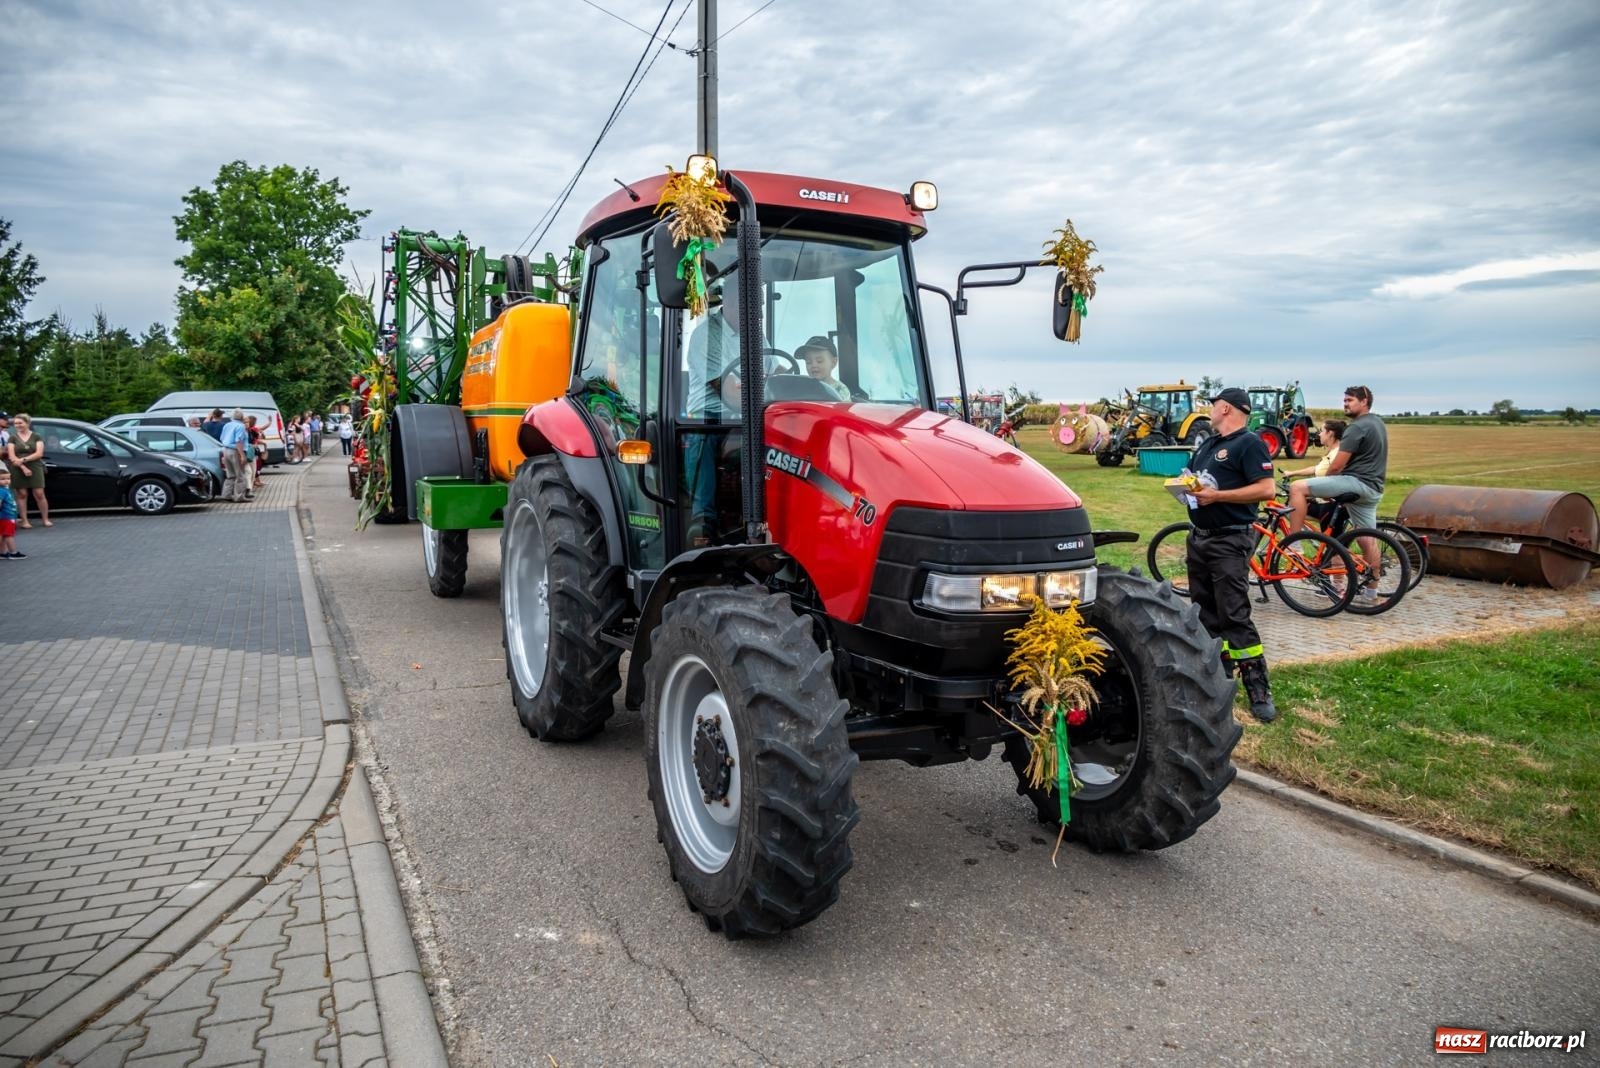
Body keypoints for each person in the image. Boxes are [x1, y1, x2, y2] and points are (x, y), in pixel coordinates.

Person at [1182, 388, 1279, 722]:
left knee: (1233, 615)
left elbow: (1266, 489)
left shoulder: (1249, 443)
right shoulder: (1208, 444)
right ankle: (1217, 681)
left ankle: (1258, 689)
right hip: (1199, 539)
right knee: (1204, 614)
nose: (1209, 410)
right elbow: (1192, 477)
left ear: (1225, 408)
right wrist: (1184, 486)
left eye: (1213, 405)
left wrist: (1218, 496)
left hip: (1229, 540)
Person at [1285, 386, 1388, 603]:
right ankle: (1371, 592)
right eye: (1345, 400)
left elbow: (1336, 467)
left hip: (1356, 483)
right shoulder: (1378, 423)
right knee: (1367, 540)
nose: (1345, 404)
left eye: (1350, 400)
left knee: (1297, 488)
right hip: (1374, 488)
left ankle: (1293, 544)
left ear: (1364, 401)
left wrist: (1327, 487)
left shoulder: (1357, 427)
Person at [1282, 419, 1347, 534]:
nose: (1319, 434)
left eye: (1321, 431)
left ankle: (1296, 540)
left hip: (1329, 504)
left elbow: (1337, 473)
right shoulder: (1332, 452)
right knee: (1293, 507)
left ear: (1330, 433)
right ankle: (1303, 537)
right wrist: (1292, 473)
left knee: (1332, 544)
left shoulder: (1337, 453)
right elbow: (1316, 469)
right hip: (1323, 501)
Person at [4, 414, 50, 528]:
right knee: (22, 494)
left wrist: (24, 459)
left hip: (35, 466)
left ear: (27, 423)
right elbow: (11, 456)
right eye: (15, 423)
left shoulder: (37, 436)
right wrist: (23, 467)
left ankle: (45, 519)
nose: (17, 425)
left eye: (20, 423)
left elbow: (39, 453)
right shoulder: (12, 438)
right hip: (17, 468)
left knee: (39, 493)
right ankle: (25, 521)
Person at [797, 335, 851, 400]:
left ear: (833, 362)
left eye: (819, 361)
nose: (814, 365)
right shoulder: (803, 389)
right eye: (808, 362)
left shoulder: (841, 390)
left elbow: (844, 406)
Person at [219, 408, 253, 502]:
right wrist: (242, 455)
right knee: (240, 475)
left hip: (226, 450)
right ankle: (239, 496)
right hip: (236, 451)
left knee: (230, 474)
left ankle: (226, 495)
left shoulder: (227, 425)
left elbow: (222, 438)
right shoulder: (241, 426)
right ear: (242, 416)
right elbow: (238, 441)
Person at [0, 467, 21, 558]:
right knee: (9, 535)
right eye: (2, 479)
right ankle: (13, 553)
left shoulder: (5, 490)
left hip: (8, 516)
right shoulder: (1, 491)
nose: (6, 481)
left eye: (8, 478)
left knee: (3, 534)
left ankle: (2, 552)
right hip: (6, 516)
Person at [245, 415, 266, 488]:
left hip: (252, 453)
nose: (246, 424)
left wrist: (261, 434)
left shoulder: (251, 431)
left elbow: (260, 437)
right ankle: (248, 487)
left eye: (247, 422)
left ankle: (250, 487)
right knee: (249, 471)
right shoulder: (244, 431)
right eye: (245, 422)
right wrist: (252, 445)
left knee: (253, 471)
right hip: (247, 453)